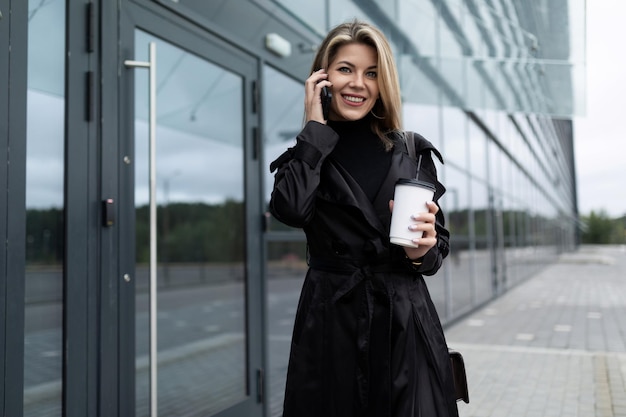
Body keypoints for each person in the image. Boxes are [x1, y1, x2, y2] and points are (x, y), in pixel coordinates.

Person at [269, 20, 458, 417]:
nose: (358, 83)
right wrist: (314, 127)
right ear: (322, 78)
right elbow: (290, 209)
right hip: (332, 324)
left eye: (371, 73)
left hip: (404, 325)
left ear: (383, 82)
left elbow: (436, 252)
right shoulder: (309, 152)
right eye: (345, 69)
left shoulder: (410, 150)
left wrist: (422, 250)